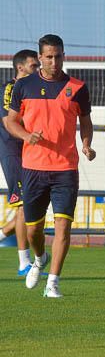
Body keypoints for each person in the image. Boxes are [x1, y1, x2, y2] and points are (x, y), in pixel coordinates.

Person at [6, 34, 96, 298]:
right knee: (33, 229)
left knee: (63, 226)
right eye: (48, 57)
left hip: (66, 169)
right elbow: (11, 122)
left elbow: (86, 121)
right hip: (33, 168)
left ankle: (53, 282)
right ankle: (39, 258)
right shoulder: (24, 87)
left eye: (58, 56)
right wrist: (26, 136)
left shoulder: (78, 87)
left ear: (64, 55)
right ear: (40, 57)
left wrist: (86, 144)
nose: (54, 61)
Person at [1, 49, 39, 276]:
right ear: (20, 68)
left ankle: (2, 235)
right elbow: (10, 122)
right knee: (25, 206)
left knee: (28, 206)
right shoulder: (9, 89)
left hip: (29, 152)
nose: (38, 69)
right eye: (34, 65)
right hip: (13, 152)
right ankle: (24, 263)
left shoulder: (33, 89)